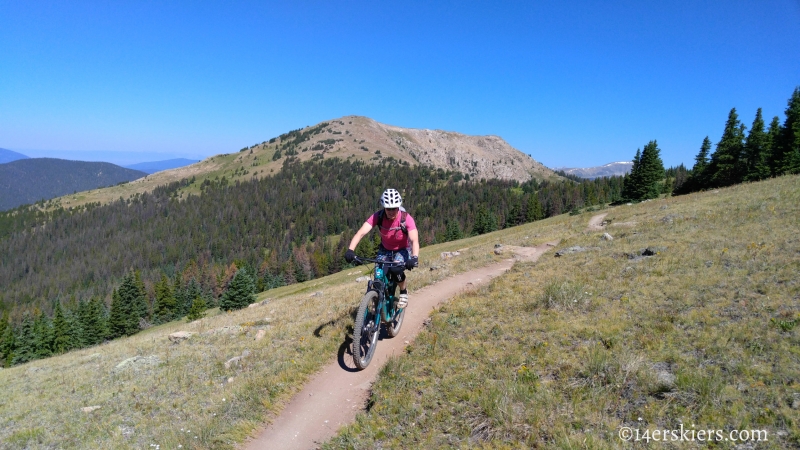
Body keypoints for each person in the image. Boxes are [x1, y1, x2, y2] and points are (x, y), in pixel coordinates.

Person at [345, 188, 419, 308]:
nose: (391, 211)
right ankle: (378, 300)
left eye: (394, 208)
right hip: (385, 249)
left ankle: (403, 291)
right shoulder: (378, 216)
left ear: (398, 206)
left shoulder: (405, 218)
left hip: (402, 249)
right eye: (388, 208)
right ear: (384, 207)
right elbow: (361, 233)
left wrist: (414, 257)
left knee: (396, 269)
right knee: (378, 276)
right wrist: (350, 250)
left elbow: (414, 240)